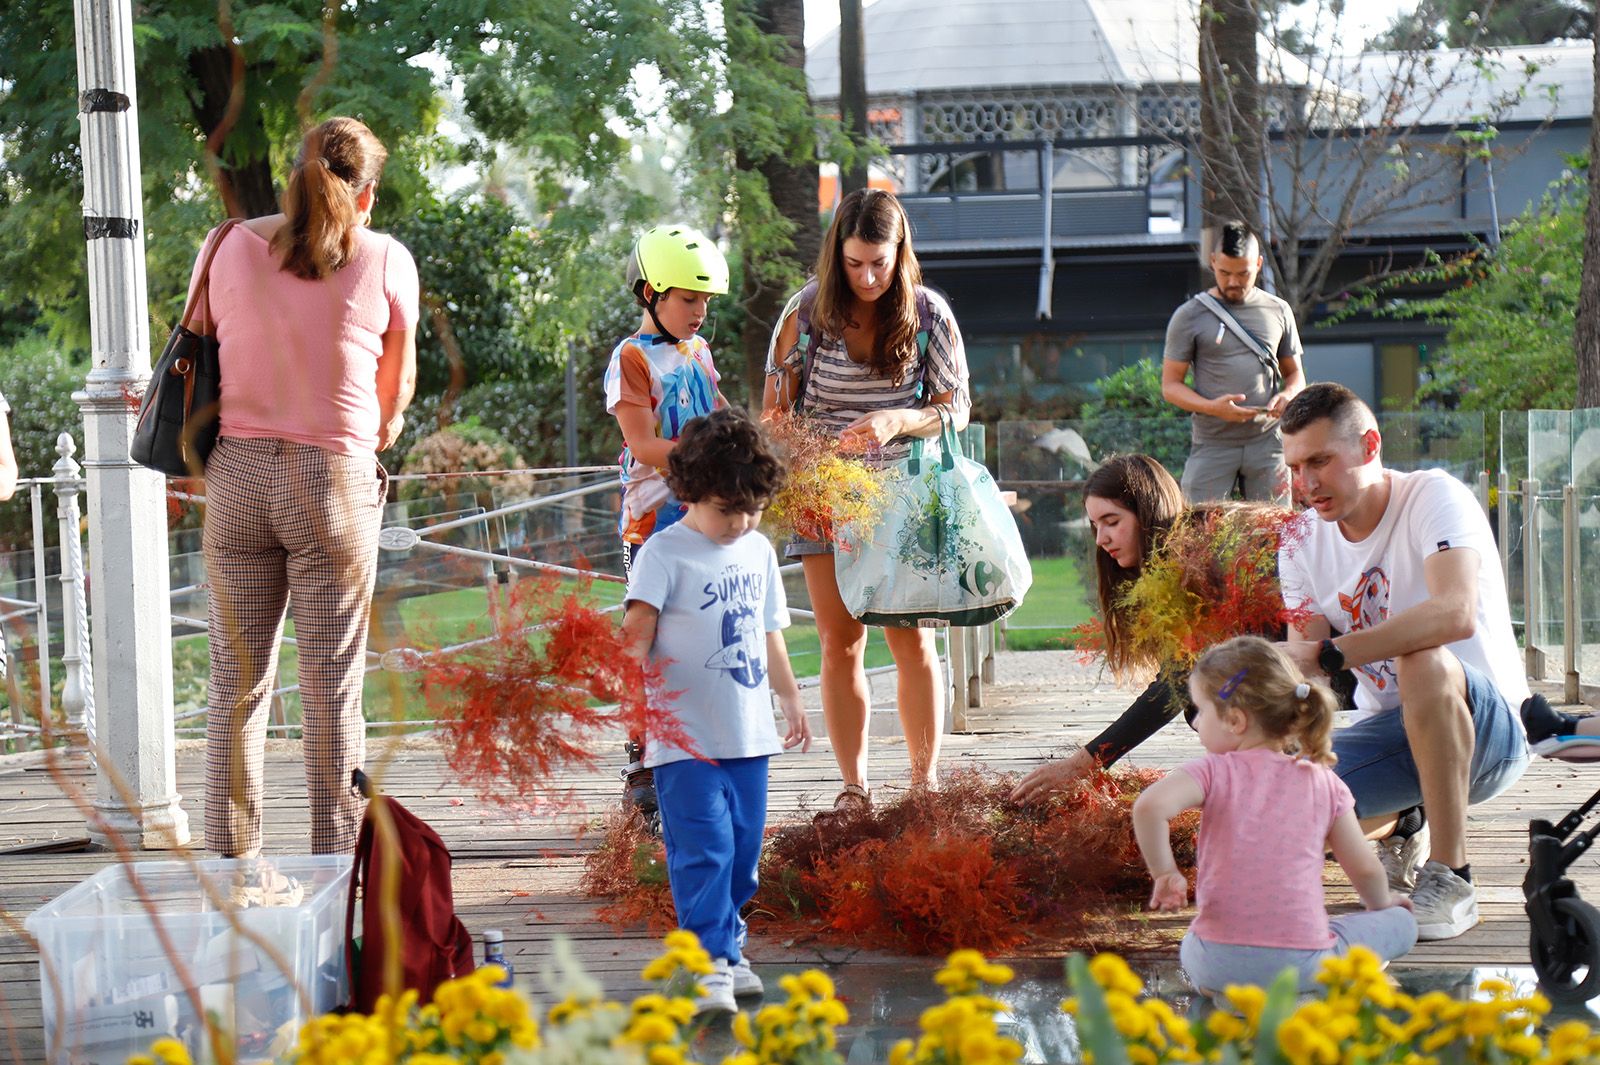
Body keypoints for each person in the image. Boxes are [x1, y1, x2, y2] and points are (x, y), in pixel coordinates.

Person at [200, 117, 418, 857]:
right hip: (330, 481)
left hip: (236, 475)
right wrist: (374, 431)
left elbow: (203, 348)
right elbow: (398, 389)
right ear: (366, 194)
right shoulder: (385, 258)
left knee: (235, 686)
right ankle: (333, 878)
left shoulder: (225, 245)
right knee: (330, 691)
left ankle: (233, 869)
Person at [1277, 382, 1531, 940]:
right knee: (1282, 815)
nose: (1307, 483)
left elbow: (1455, 613)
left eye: (1320, 460)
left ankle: (1453, 874)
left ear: (1369, 446)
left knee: (1422, 658)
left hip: (1488, 731)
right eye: (1296, 467)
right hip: (1391, 733)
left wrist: (1331, 653)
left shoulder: (1434, 496)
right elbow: (1305, 668)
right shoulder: (1297, 538)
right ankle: (1407, 820)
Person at [762, 188, 970, 810]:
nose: (869, 276)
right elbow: (773, 413)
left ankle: (923, 783)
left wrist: (895, 421)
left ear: (900, 250)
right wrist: (813, 454)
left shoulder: (930, 315)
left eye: (880, 262)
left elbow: (954, 408)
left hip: (903, 494)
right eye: (855, 264)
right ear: (836, 256)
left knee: (912, 639)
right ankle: (854, 787)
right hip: (822, 496)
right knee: (840, 641)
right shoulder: (802, 315)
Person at [620, 409, 810, 1015]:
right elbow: (637, 628)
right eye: (728, 508)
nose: (741, 522)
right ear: (692, 492)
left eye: (751, 509)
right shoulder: (663, 552)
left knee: (745, 852)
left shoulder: (756, 550)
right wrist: (626, 693)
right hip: (684, 739)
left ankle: (728, 948)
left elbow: (770, 633)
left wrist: (790, 695)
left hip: (748, 734)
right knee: (704, 847)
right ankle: (709, 966)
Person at [1132, 636, 1417, 992]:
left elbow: (1149, 806)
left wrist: (1164, 872)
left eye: (1200, 711)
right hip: (1300, 967)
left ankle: (1227, 992)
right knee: (1402, 924)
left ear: (1235, 720)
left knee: (1194, 939)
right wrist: (1382, 905)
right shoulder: (1324, 783)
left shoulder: (1213, 771)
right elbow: (1364, 868)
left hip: (1214, 965)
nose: (1197, 722)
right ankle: (1326, 981)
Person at [603, 223, 730, 824]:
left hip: (708, 518)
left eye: (705, 300)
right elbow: (643, 444)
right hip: (654, 522)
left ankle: (698, 760)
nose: (699, 311)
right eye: (687, 298)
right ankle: (643, 770)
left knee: (703, 642)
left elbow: (720, 413)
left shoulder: (699, 352)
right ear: (652, 292)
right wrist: (706, 456)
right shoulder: (632, 358)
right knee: (648, 645)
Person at [1161, 220, 1305, 503]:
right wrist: (1212, 408)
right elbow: (1170, 386)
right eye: (1224, 272)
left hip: (1268, 442)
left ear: (1259, 264)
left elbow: (1296, 375)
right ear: (1212, 262)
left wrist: (1288, 395)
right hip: (1212, 442)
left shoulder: (1279, 310)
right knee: (1199, 536)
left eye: (1243, 273)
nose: (1233, 282)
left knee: (1275, 534)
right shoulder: (1188, 315)